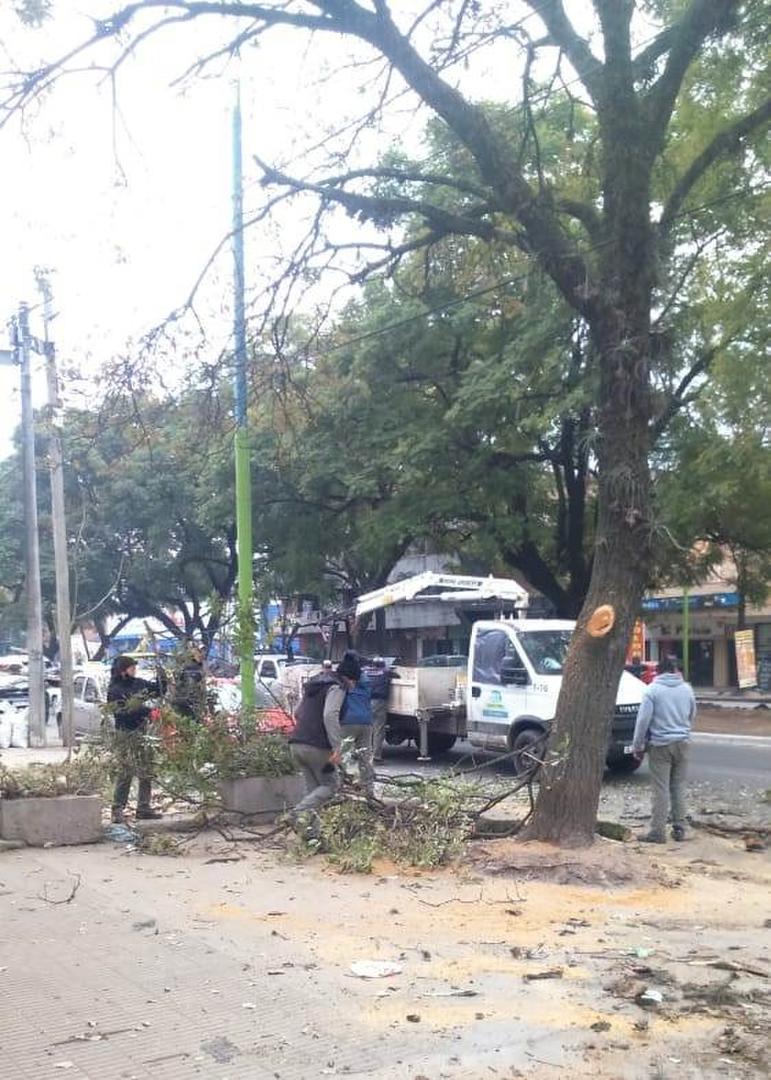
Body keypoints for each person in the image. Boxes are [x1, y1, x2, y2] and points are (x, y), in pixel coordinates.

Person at [631, 654, 696, 843]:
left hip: (660, 745)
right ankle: (679, 828)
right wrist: (683, 731)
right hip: (683, 742)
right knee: (678, 786)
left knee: (660, 789)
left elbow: (643, 721)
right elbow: (692, 715)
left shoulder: (652, 690)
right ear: (676, 670)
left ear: (658, 671)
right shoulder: (687, 689)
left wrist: (638, 746)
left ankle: (657, 832)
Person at [288, 651, 358, 813]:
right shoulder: (337, 687)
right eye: (354, 682)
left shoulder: (314, 685)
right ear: (349, 678)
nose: (353, 687)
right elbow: (330, 715)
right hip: (317, 747)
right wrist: (337, 748)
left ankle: (310, 834)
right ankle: (296, 814)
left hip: (297, 743)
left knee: (313, 792)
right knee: (331, 785)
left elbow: (297, 713)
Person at [107, 655, 167, 824]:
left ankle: (144, 807)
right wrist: (148, 712)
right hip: (125, 733)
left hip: (142, 731)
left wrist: (162, 676)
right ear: (123, 670)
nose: (135, 670)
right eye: (131, 667)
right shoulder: (115, 689)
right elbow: (127, 709)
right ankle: (117, 808)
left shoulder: (138, 683)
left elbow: (158, 690)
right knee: (126, 771)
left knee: (146, 769)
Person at [338, 655, 375, 797]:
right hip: (366, 723)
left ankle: (341, 789)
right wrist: (355, 663)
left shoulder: (343, 688)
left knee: (342, 756)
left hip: (347, 722)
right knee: (365, 758)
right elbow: (362, 676)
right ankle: (369, 791)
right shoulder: (365, 687)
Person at [170, 641, 206, 719]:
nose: (202, 654)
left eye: (203, 651)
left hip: (193, 702)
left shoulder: (199, 665)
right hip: (186, 703)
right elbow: (189, 687)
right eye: (199, 651)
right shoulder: (189, 667)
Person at [366, 657, 392, 763]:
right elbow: (397, 675)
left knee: (369, 729)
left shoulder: (366, 672)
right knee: (379, 729)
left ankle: (367, 754)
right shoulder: (385, 672)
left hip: (367, 701)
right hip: (379, 702)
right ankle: (376, 756)